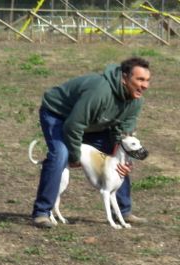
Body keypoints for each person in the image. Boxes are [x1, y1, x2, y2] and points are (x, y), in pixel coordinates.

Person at [32, 57, 151, 228]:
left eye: (147, 80)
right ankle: (42, 213)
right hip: (58, 114)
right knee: (60, 155)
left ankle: (124, 212)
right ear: (124, 78)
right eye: (140, 79)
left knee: (116, 158)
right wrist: (74, 156)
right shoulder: (100, 91)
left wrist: (125, 159)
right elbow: (73, 125)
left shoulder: (136, 101)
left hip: (92, 123)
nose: (145, 85)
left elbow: (123, 136)